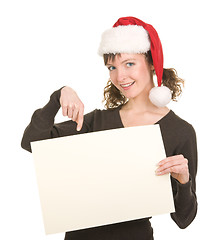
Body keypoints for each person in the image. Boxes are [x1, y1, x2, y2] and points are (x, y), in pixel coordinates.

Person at [21, 16, 198, 240]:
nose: (119, 76)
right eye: (112, 67)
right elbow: (31, 142)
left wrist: (184, 180)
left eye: (129, 64)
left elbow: (184, 218)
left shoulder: (180, 131)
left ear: (152, 63)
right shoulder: (97, 121)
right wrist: (58, 96)